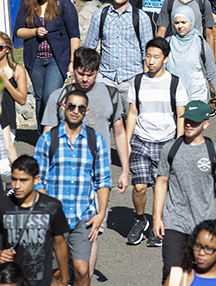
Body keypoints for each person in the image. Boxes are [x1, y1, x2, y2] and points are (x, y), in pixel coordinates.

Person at [34, 88, 111, 286]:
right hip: (56, 220)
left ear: (86, 111)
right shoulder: (48, 139)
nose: (75, 111)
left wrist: (101, 213)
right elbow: (38, 180)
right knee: (57, 274)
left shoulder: (94, 140)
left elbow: (103, 179)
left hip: (83, 216)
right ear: (63, 107)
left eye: (80, 108)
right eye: (71, 106)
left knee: (82, 269)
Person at [152, 100, 216, 282]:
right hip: (175, 222)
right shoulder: (171, 149)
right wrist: (157, 217)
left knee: (201, 275)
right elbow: (161, 182)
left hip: (204, 224)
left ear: (206, 123)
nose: (189, 124)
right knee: (171, 273)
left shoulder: (215, 151)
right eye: (187, 120)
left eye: (195, 121)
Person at [125, 38, 188, 248]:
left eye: (156, 57)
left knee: (162, 188)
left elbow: (181, 115)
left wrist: (178, 144)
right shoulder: (137, 82)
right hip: (141, 141)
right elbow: (133, 112)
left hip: (166, 141)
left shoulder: (175, 83)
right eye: (148, 56)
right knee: (140, 186)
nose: (151, 61)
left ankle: (157, 224)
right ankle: (140, 219)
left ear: (166, 59)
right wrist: (127, 141)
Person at [41, 47, 129, 195]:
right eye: (81, 74)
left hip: (100, 172)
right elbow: (47, 137)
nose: (85, 79)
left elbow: (119, 134)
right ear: (73, 69)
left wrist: (125, 171)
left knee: (100, 216)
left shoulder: (111, 95)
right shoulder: (58, 97)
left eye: (90, 74)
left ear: (98, 70)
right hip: (64, 171)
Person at [14, 0, 80, 130]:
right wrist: (34, 32)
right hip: (34, 58)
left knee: (50, 96)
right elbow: (18, 31)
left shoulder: (63, 3)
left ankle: (49, 130)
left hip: (57, 59)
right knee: (38, 97)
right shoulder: (27, 3)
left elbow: (74, 35)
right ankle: (41, 133)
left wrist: (73, 62)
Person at [0, 157, 69, 286]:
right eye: (14, 179)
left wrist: (64, 280)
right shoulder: (3, 206)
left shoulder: (51, 207)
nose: (17, 186)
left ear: (36, 179)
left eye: (23, 180)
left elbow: (60, 244)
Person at [83, 0, 154, 110]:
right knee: (100, 120)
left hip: (132, 78)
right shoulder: (100, 15)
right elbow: (89, 50)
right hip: (106, 77)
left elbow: (148, 52)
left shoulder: (141, 17)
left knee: (131, 123)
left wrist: (146, 80)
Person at [165, 5, 216, 112]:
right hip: (173, 97)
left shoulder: (201, 44)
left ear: (191, 22)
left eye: (184, 22)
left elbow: (211, 73)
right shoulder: (167, 44)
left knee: (195, 128)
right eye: (176, 23)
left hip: (197, 96)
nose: (180, 26)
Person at [0, 33, 27, 164]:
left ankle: (13, 182)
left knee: (5, 162)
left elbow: (22, 99)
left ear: (7, 49)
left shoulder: (17, 70)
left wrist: (5, 81)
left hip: (7, 121)